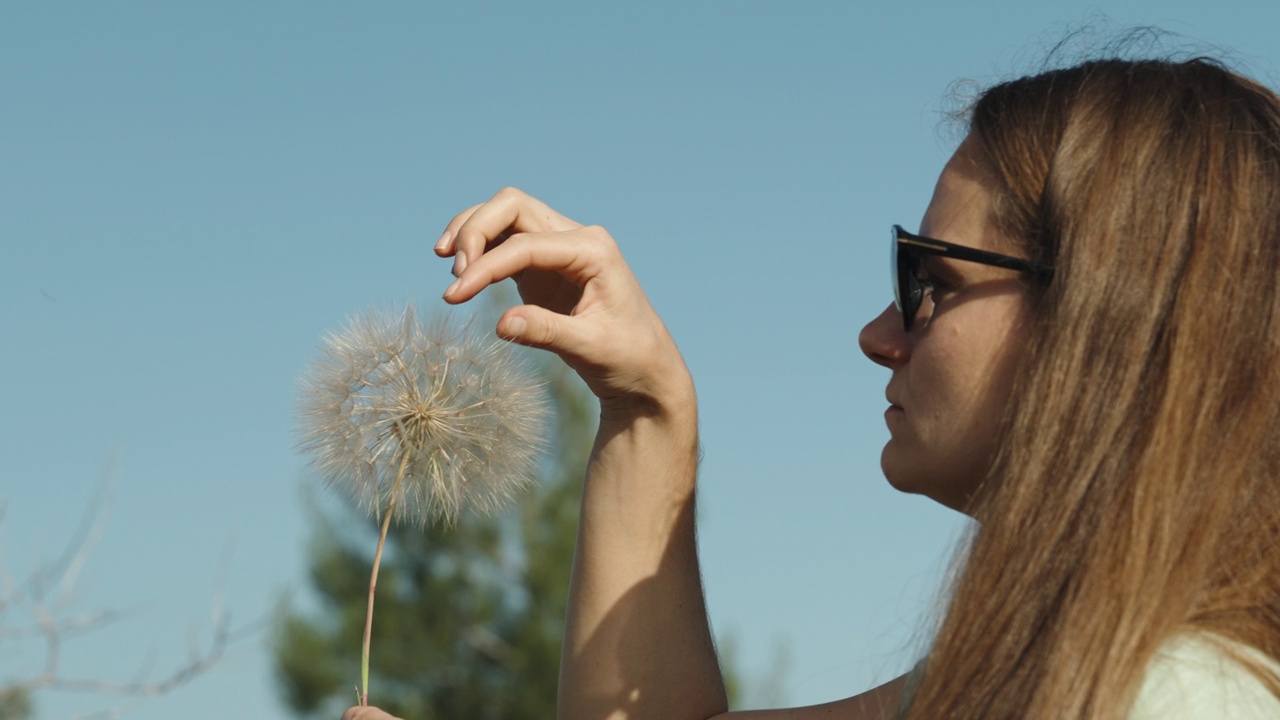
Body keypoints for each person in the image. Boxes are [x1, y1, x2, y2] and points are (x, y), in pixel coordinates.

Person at [343, 55, 1280, 720]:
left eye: (930, 282)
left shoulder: (1166, 697)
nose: (878, 335)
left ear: (1109, 319)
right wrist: (648, 406)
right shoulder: (1045, 673)